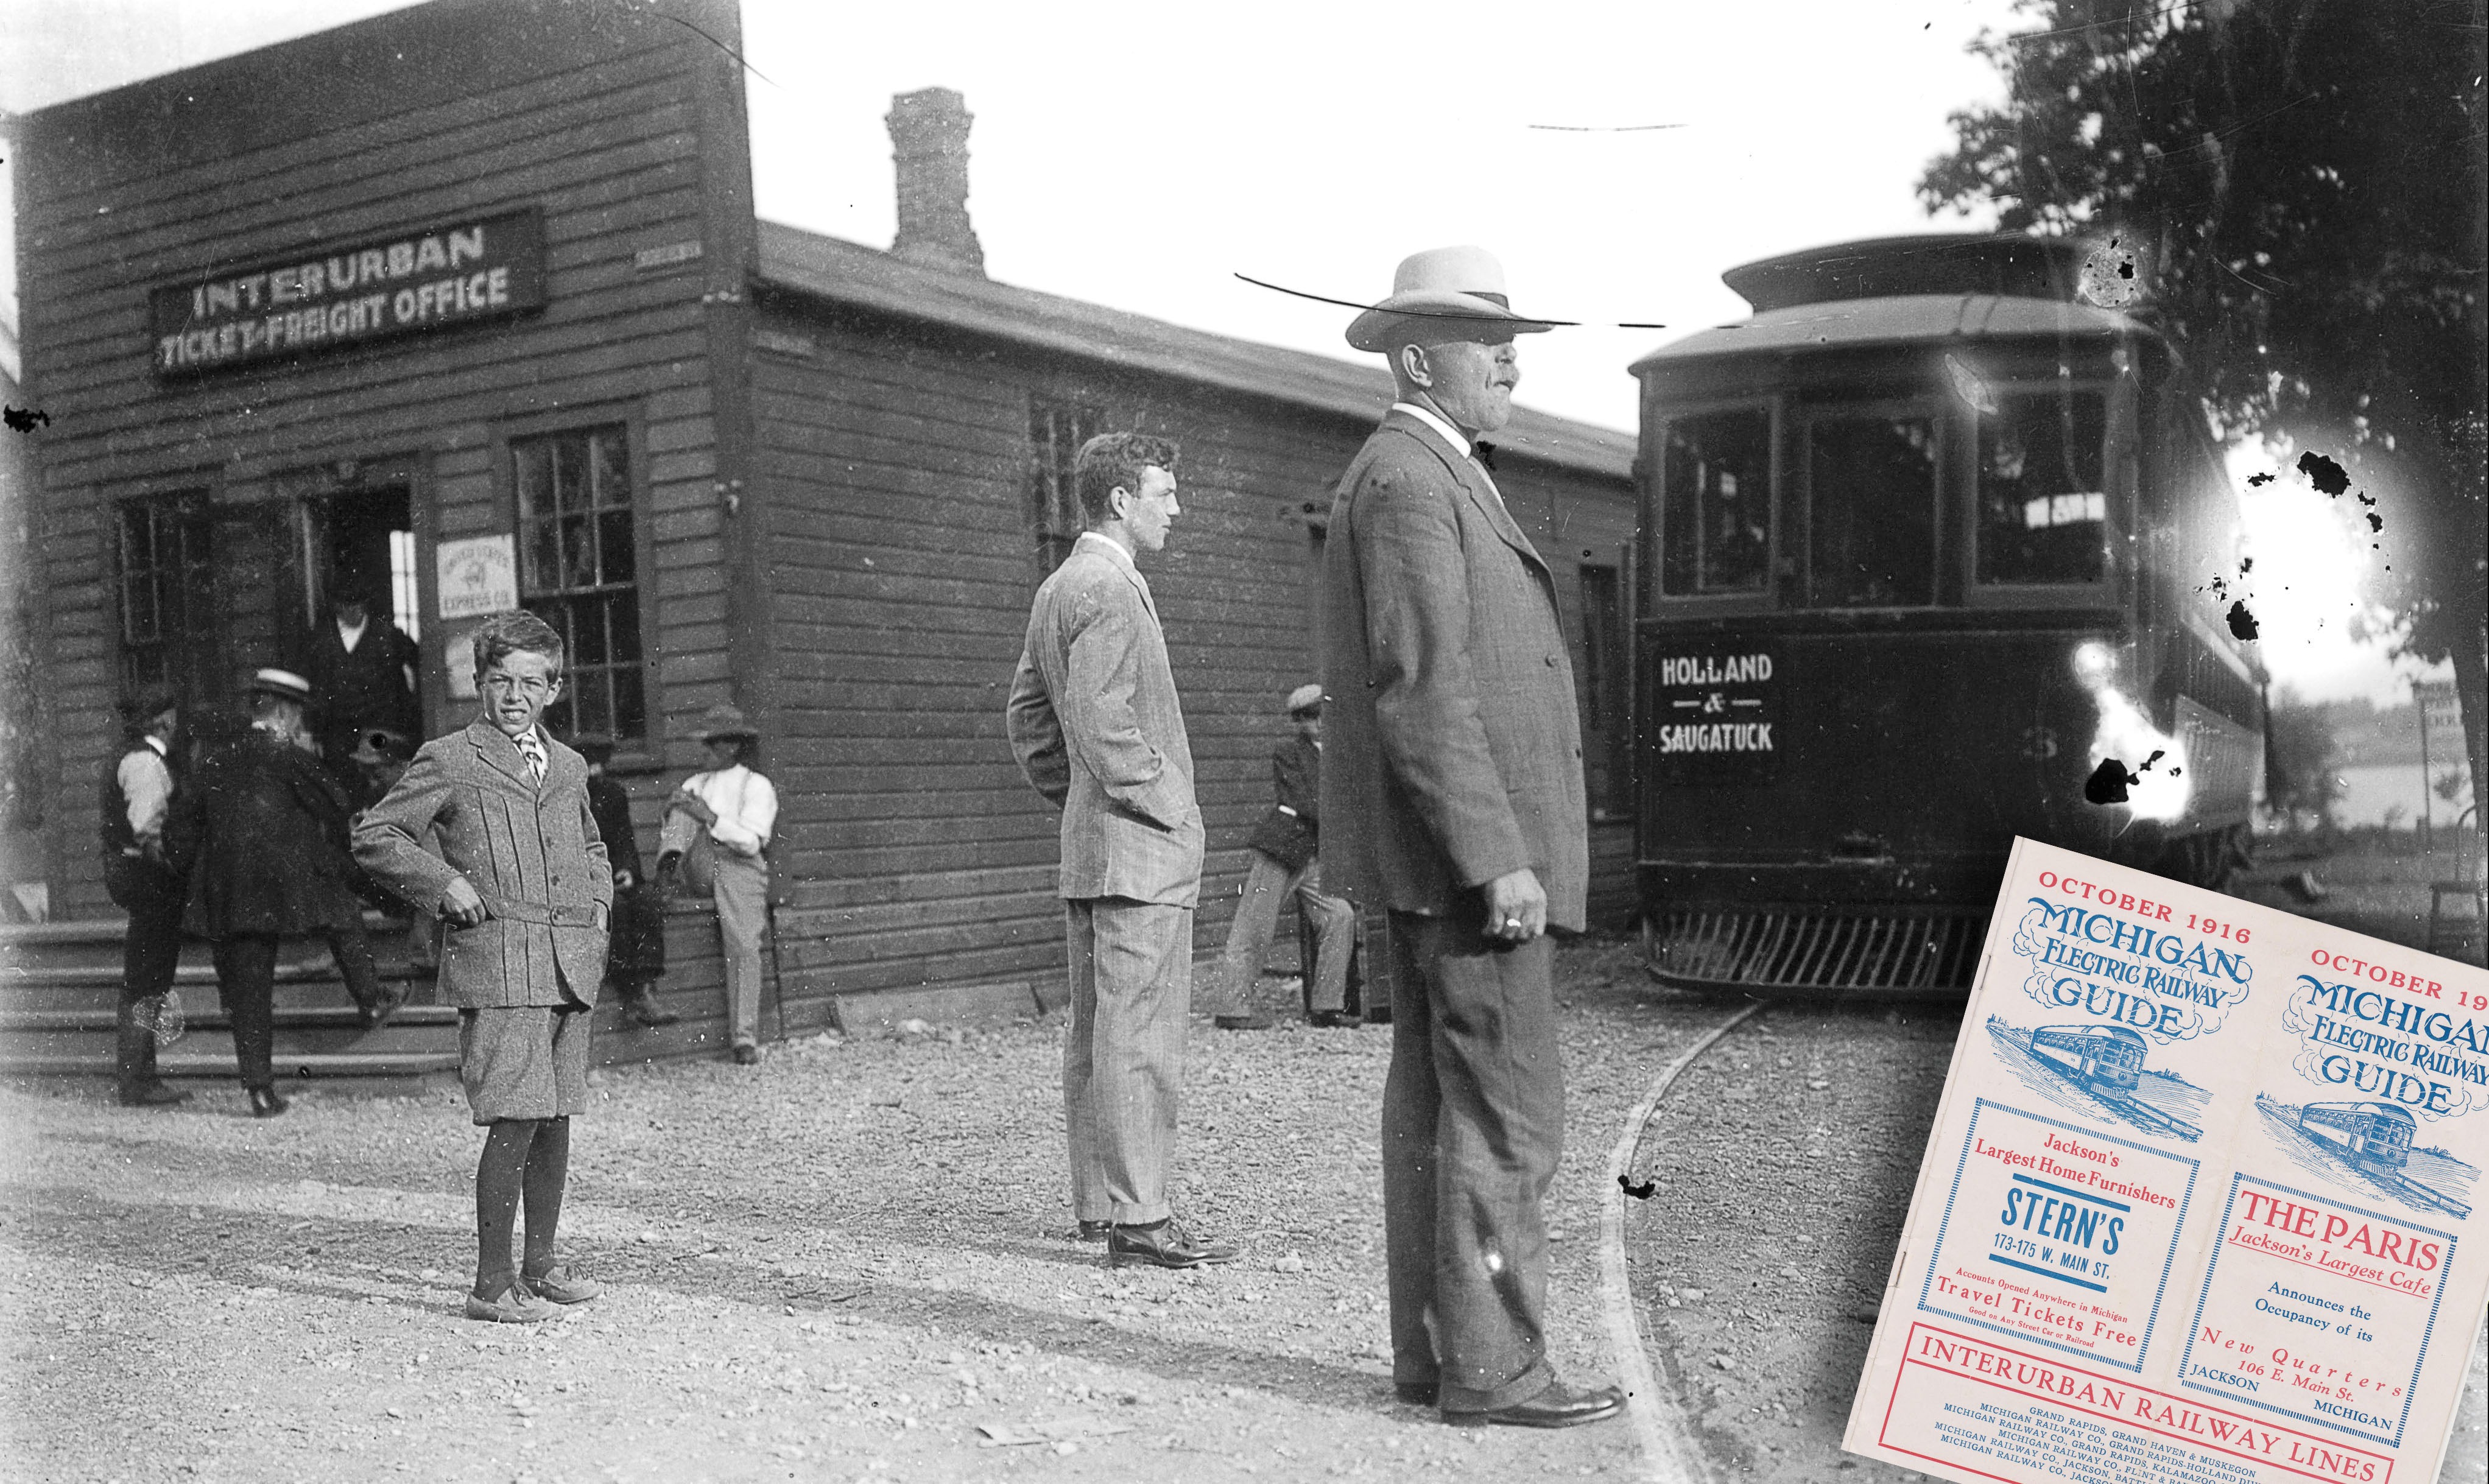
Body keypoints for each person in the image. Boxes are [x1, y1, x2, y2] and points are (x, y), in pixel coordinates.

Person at [1320, 247, 1624, 1428]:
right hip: (1466, 868)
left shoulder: (1423, 470)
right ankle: (1494, 1369)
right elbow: (1423, 690)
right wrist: (1497, 854)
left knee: (1441, 1112)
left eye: (1512, 344)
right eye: (1484, 343)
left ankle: (1440, 1358)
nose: (1509, 363)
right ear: (1415, 361)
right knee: (1504, 1114)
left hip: (1436, 862)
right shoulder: (1413, 479)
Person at [1006, 431, 1235, 1270]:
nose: (1177, 509)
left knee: (1099, 1036)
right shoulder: (1109, 587)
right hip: (1139, 855)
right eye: (1164, 494)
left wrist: (1080, 800)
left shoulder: (1058, 586)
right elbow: (1102, 723)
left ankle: (1102, 1209)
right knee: (1139, 1040)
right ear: (1120, 500)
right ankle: (1139, 1222)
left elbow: (1028, 720)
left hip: (1093, 852)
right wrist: (1169, 804)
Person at [353, 610, 612, 1324]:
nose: (515, 696)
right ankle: (491, 1285)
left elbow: (592, 846)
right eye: (501, 681)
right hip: (499, 965)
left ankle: (541, 1264)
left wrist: (598, 905)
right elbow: (377, 835)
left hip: (568, 964)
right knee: (514, 1116)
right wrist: (443, 883)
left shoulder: (568, 766)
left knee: (555, 1115)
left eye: (531, 682)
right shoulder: (450, 757)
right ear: (480, 682)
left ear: (554, 688)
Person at [166, 668, 400, 1117]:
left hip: (232, 891)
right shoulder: (289, 756)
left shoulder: (214, 761)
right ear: (287, 714)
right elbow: (337, 806)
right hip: (289, 882)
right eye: (298, 716)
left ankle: (260, 1091)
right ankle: (370, 1000)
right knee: (340, 906)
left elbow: (183, 828)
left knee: (250, 989)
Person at [1204, 683, 1359, 1030]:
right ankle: (1232, 1010)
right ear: (1300, 722)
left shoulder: (1340, 756)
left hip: (1314, 856)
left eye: (1325, 715)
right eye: (1311, 717)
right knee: (1255, 927)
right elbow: (1306, 802)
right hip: (1282, 851)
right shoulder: (1289, 753)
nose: (1320, 723)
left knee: (1340, 916)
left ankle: (1327, 1007)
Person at [654, 705, 775, 1061]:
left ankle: (744, 1039)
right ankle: (666, 875)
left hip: (740, 866)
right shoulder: (696, 783)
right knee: (682, 806)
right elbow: (676, 827)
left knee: (744, 945)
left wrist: (710, 817)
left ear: (732, 747)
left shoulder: (757, 785)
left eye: (712, 744)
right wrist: (682, 811)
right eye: (704, 744)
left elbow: (751, 843)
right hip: (700, 864)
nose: (704, 751)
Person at [100, 681, 189, 1107]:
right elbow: (146, 827)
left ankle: (140, 1078)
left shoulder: (134, 755)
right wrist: (171, 866)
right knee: (147, 978)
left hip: (139, 877)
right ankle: (138, 1082)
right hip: (148, 879)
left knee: (147, 976)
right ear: (164, 720)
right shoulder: (144, 761)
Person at [576, 732, 675, 1028]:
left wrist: (628, 872)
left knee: (646, 900)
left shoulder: (614, 794)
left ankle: (645, 989)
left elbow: (624, 841)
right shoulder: (567, 798)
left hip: (611, 874)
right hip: (584, 881)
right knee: (615, 909)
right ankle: (632, 996)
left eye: (599, 766)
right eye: (590, 766)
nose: (595, 773)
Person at [301, 574, 419, 799]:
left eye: (359, 604)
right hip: (337, 734)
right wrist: (315, 732)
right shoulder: (321, 640)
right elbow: (313, 690)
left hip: (379, 731)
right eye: (348, 605)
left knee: (380, 788)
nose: (354, 611)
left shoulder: (388, 637)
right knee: (341, 790)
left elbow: (416, 675)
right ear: (337, 607)